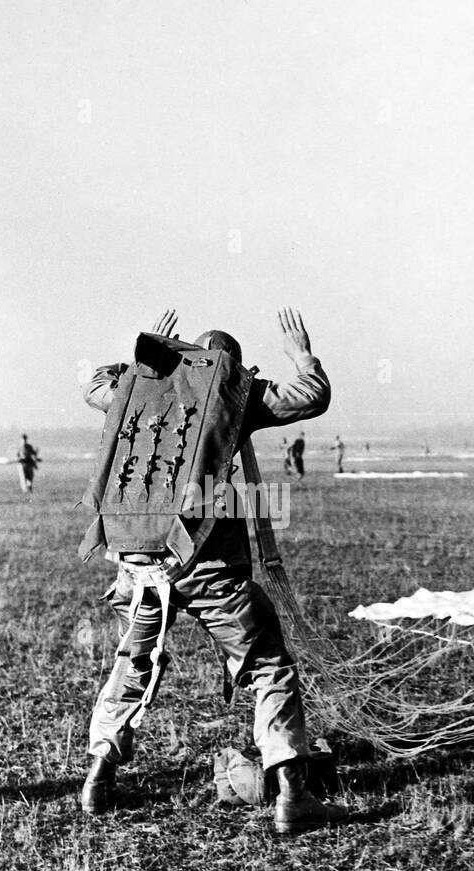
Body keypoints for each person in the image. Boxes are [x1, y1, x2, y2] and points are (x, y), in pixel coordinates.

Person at [77, 307, 347, 836]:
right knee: (269, 665)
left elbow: (94, 385)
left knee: (132, 664)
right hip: (208, 566)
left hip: (138, 565)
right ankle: (293, 794)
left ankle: (98, 775)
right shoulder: (233, 396)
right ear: (232, 366)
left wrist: (159, 353)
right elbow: (311, 395)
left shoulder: (139, 391)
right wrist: (300, 354)